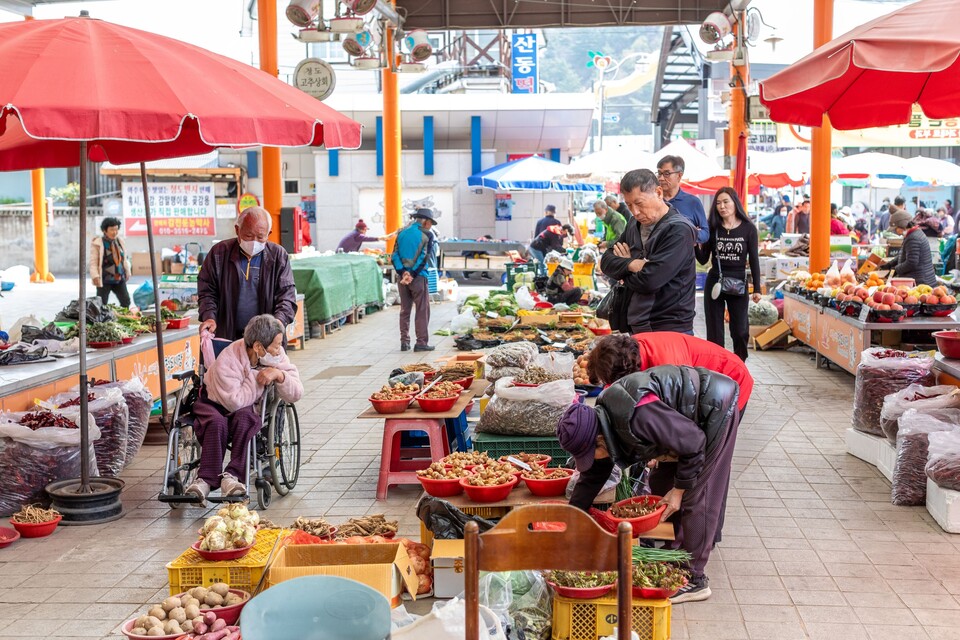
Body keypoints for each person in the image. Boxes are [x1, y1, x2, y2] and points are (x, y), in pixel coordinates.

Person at [557, 365, 740, 603]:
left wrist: (679, 490)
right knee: (661, 483)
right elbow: (592, 476)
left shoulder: (636, 414)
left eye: (590, 454)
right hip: (687, 427)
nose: (592, 461)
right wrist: (572, 519)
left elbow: (694, 443)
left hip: (715, 407)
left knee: (696, 496)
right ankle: (677, 555)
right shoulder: (602, 423)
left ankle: (695, 580)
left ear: (599, 440)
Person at [186, 315, 303, 504]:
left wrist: (279, 374)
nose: (279, 350)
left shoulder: (276, 355)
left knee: (246, 419)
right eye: (275, 345)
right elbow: (235, 401)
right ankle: (206, 480)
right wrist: (258, 377)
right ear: (258, 347)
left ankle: (232, 477)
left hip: (243, 408)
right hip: (214, 402)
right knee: (216, 423)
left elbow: (296, 392)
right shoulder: (229, 358)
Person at [600, 168, 697, 334]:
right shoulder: (633, 224)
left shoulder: (678, 230)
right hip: (636, 325)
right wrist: (632, 263)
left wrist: (622, 270)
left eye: (639, 203)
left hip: (668, 328)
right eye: (629, 205)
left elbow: (650, 281)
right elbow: (606, 262)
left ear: (659, 193)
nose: (635, 212)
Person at [198, 207, 297, 341]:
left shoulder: (278, 256)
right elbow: (207, 291)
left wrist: (280, 320)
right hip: (226, 335)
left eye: (261, 237)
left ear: (269, 234)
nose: (254, 242)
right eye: (248, 236)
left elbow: (286, 295)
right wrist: (209, 316)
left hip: (266, 339)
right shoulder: (219, 253)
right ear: (237, 230)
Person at [695, 187, 762, 361]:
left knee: (740, 331)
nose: (722, 206)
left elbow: (754, 259)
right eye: (718, 203)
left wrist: (757, 289)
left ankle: (740, 363)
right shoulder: (713, 228)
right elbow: (703, 260)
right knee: (715, 331)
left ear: (735, 203)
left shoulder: (749, 229)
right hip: (715, 281)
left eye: (726, 202)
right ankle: (718, 367)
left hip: (738, 281)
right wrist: (695, 242)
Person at [392, 208, 437, 352]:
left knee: (405, 310)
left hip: (402, 279)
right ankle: (421, 343)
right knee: (422, 310)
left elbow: (394, 256)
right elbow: (424, 258)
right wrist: (411, 274)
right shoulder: (427, 235)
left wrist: (403, 272)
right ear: (425, 221)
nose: (431, 226)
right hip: (418, 277)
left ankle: (404, 342)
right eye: (430, 222)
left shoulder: (401, 233)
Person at [656, 156, 709, 244]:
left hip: (684, 255)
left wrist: (688, 233)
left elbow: (705, 233)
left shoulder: (693, 202)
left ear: (679, 175)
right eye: (659, 173)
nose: (661, 178)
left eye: (666, 174)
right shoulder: (654, 200)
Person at [883, 209, 937, 286]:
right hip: (919, 279)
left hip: (920, 283)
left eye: (895, 228)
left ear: (902, 225)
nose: (895, 231)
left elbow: (911, 263)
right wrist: (889, 264)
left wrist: (895, 269)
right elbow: (904, 254)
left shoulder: (913, 238)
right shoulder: (913, 234)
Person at [89, 216, 131, 307]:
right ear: (105, 230)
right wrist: (95, 276)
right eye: (112, 230)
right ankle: (101, 321)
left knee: (126, 301)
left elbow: (124, 259)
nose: (114, 232)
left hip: (119, 278)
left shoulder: (120, 241)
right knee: (101, 304)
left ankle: (123, 319)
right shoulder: (98, 243)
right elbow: (93, 262)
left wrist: (127, 271)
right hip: (104, 279)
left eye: (116, 229)